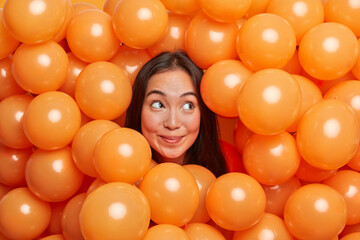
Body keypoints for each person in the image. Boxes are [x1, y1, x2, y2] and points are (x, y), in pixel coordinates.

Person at [125, 51, 228, 177]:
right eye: (158, 105)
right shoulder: (117, 178)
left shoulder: (230, 169)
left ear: (203, 113)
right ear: (138, 109)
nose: (172, 124)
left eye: (188, 106)